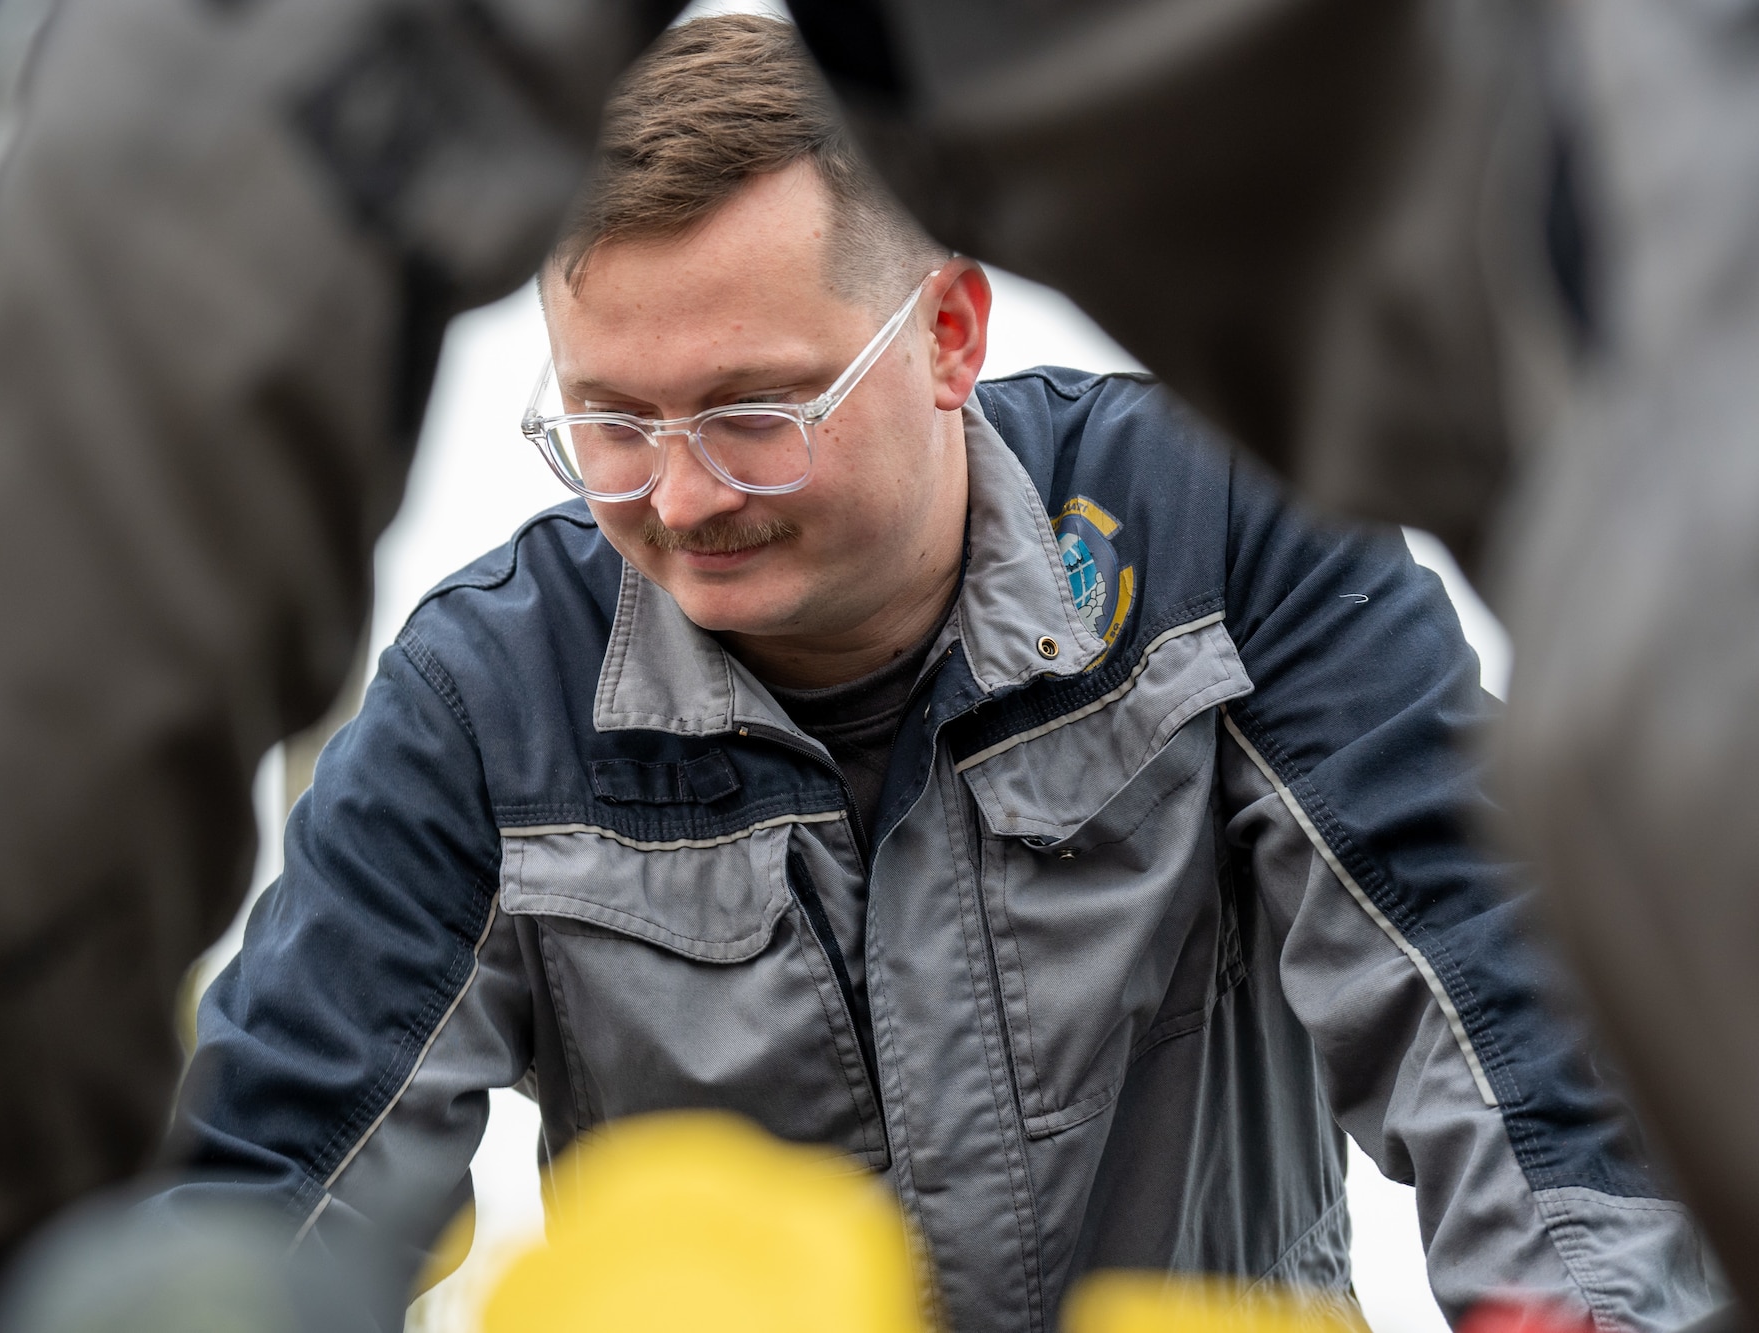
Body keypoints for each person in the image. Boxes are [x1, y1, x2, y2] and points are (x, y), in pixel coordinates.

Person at [164, 19, 1715, 1332]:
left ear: (951, 334)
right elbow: (267, 1191)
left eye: (756, 413)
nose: (682, 498)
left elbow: (1509, 1026)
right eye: (612, 425)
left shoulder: (1223, 529)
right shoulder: (480, 705)